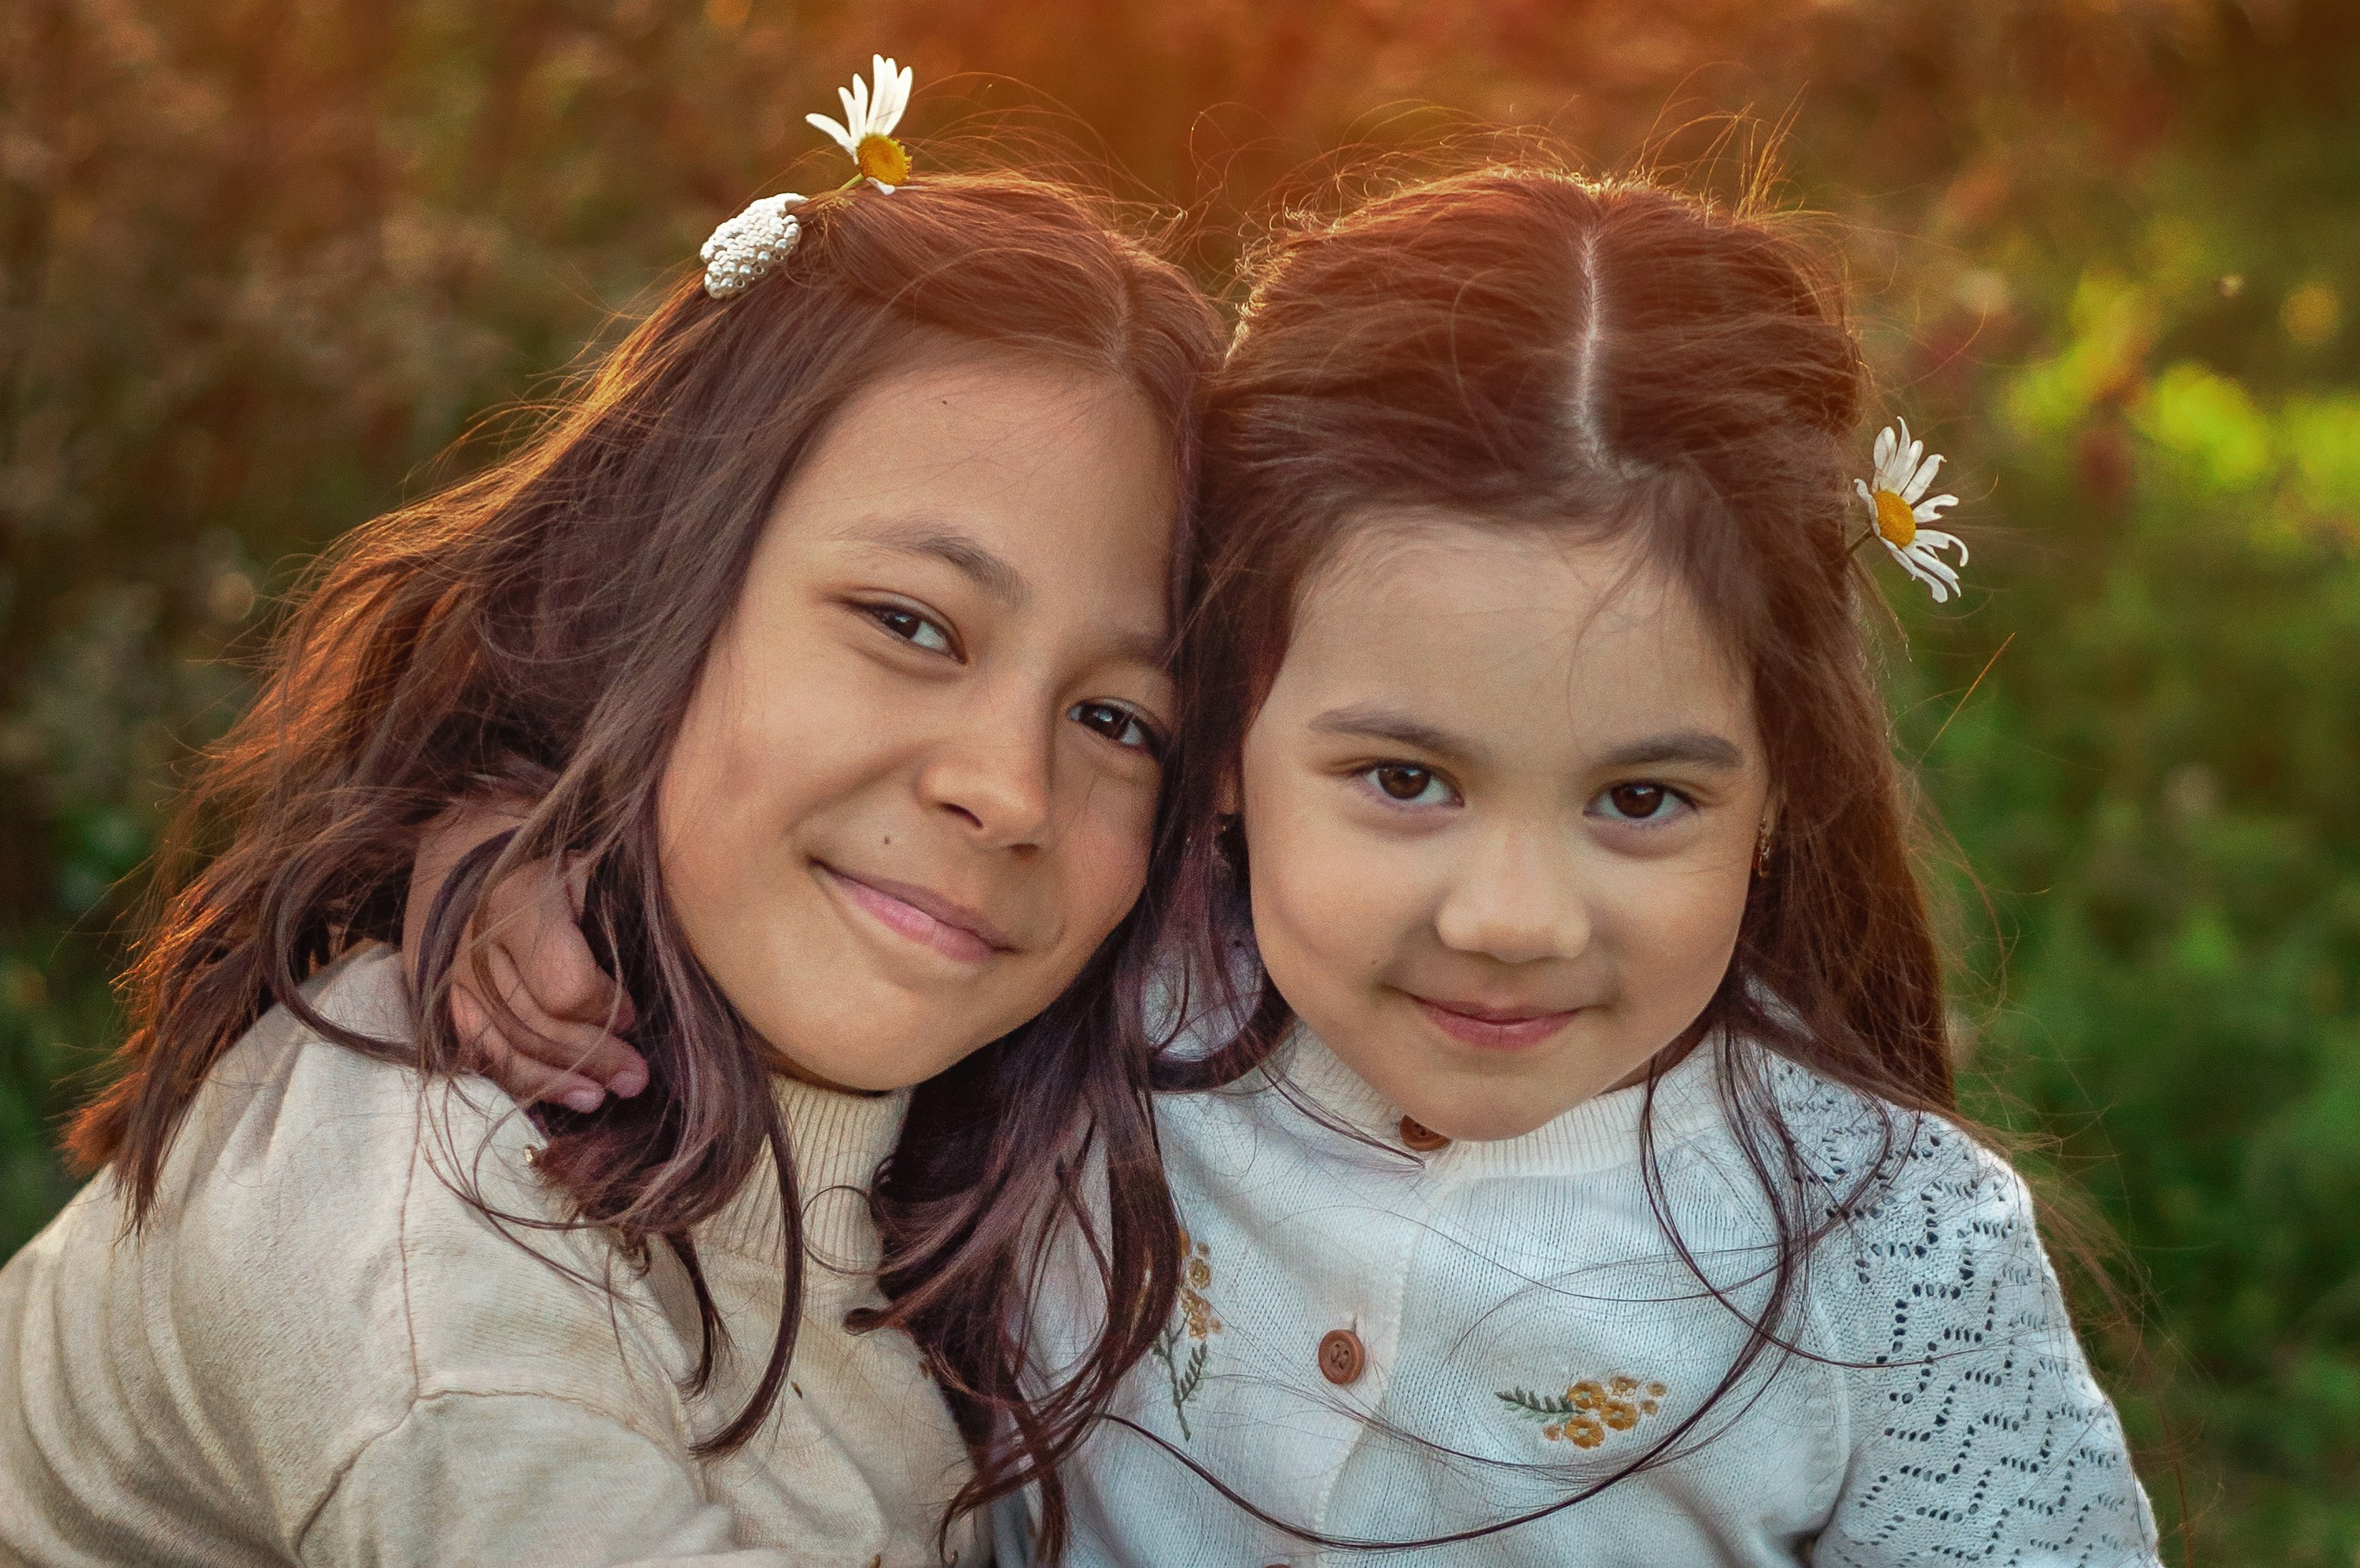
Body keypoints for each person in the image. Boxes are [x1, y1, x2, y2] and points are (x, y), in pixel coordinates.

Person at [443, 166, 2161, 1564]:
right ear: (1226, 742)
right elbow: (789, 882)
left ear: (1783, 786)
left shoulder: (1891, 1246)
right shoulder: (1108, 985)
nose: (1510, 918)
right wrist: (518, 853)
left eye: (1642, 800)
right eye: (1405, 778)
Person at [0, 58, 1222, 1568]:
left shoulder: (1041, 1147)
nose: (1010, 786)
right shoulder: (424, 1195)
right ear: (655, 590)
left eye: (1119, 720)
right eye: (911, 623)